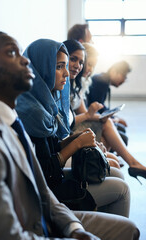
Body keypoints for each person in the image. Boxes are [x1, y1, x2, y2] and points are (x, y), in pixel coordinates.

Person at [16, 38, 132, 218]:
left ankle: (103, 224)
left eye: (66, 65)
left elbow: (53, 146)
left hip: (53, 181)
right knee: (121, 188)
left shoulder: (47, 101)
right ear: (42, 67)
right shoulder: (33, 112)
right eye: (59, 67)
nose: (66, 73)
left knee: (115, 172)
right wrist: (77, 144)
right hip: (47, 194)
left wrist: (78, 139)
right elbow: (47, 172)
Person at [63, 40, 146, 183]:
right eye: (74, 59)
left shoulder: (76, 84)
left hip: (76, 123)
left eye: (82, 62)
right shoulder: (66, 83)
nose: (81, 67)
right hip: (70, 129)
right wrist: (97, 116)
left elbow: (85, 112)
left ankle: (111, 162)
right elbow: (75, 117)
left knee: (107, 125)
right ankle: (129, 163)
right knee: (107, 124)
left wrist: (98, 115)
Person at [87, 60, 131, 128]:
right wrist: (116, 119)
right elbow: (99, 108)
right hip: (90, 117)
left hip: (92, 115)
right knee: (121, 129)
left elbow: (101, 105)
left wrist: (114, 116)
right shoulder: (101, 82)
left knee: (120, 127)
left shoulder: (102, 79)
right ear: (113, 71)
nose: (124, 80)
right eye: (123, 76)